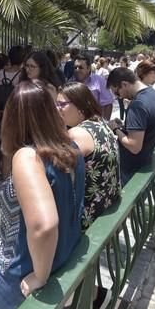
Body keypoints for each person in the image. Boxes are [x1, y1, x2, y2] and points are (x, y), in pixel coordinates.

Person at [0, 81, 85, 309]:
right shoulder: (71, 148)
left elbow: (44, 225)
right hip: (63, 253)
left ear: (13, 118)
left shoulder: (28, 157)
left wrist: (39, 276)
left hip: (21, 265)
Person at [57, 82, 119, 229]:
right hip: (107, 205)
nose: (56, 109)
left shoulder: (76, 134)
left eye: (62, 104)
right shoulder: (100, 123)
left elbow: (59, 177)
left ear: (80, 107)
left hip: (87, 217)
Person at [107, 68, 155, 185]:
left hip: (132, 169)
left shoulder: (137, 105)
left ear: (124, 84)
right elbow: (147, 127)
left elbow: (134, 146)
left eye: (117, 92)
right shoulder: (154, 94)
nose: (119, 97)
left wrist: (115, 129)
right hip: (145, 163)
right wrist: (126, 126)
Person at [70, 55, 114, 119]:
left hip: (94, 123)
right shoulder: (71, 83)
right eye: (75, 67)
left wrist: (105, 124)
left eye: (80, 67)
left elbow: (108, 104)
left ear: (88, 68)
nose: (77, 70)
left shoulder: (99, 81)